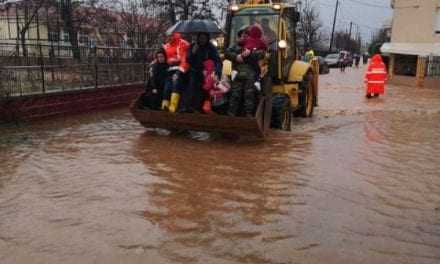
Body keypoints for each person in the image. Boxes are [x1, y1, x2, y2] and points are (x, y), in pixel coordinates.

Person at [225, 27, 266, 117]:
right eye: (242, 34)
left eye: (246, 34)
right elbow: (227, 53)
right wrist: (236, 56)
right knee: (235, 94)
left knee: (249, 94)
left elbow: (261, 54)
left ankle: (249, 115)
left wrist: (250, 53)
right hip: (237, 72)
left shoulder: (257, 45)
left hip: (251, 74)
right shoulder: (235, 46)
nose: (244, 36)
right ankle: (231, 114)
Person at [186, 32, 222, 112]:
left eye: (204, 38)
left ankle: (202, 107)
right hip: (194, 70)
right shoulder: (193, 46)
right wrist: (193, 53)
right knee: (192, 84)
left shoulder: (211, 48)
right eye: (201, 37)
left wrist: (215, 71)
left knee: (206, 85)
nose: (202, 40)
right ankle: (189, 106)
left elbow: (217, 61)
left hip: (207, 72)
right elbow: (188, 60)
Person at [162, 32, 190, 112]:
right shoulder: (166, 46)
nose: (168, 38)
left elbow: (184, 60)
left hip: (180, 70)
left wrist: (179, 72)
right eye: (167, 36)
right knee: (167, 87)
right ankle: (164, 106)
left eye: (170, 36)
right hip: (169, 70)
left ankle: (173, 108)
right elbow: (163, 57)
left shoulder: (183, 44)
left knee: (176, 84)